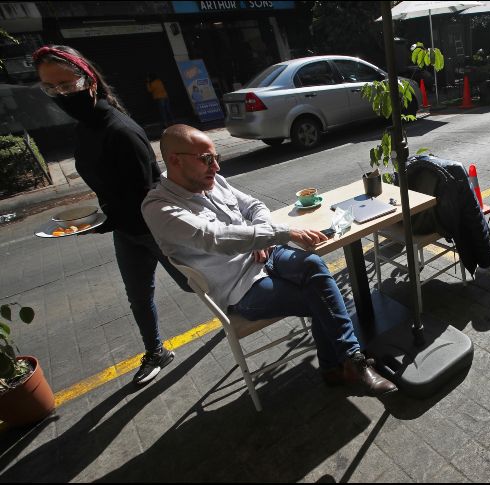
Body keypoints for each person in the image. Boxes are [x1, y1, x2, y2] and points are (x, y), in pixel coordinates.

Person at [141, 124, 398, 396]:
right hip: (240, 287)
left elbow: (254, 206)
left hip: (266, 255)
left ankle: (342, 365)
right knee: (322, 297)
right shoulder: (159, 208)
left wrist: (261, 238)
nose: (215, 167)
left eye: (217, 158)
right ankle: (348, 363)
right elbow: (215, 237)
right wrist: (277, 233)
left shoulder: (211, 180)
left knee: (313, 265)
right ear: (174, 160)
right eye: (206, 159)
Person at [34, 45, 189, 386]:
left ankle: (240, 310)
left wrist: (104, 223)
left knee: (193, 284)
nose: (60, 93)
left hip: (154, 229)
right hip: (125, 231)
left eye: (65, 84)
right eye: (51, 88)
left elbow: (148, 195)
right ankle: (156, 351)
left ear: (87, 80)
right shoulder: (85, 127)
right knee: (138, 295)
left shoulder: (120, 130)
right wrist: (103, 221)